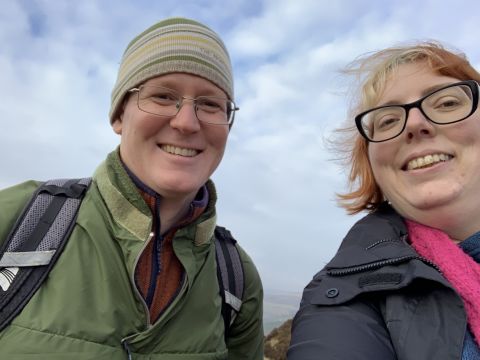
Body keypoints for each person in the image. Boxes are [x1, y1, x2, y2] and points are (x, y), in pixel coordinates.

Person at [0, 17, 263, 358]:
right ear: (119, 116)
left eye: (210, 103)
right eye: (163, 96)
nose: (186, 122)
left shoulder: (236, 278)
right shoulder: (19, 222)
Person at [288, 41, 480, 359]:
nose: (416, 124)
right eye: (388, 120)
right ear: (372, 165)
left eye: (446, 103)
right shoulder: (347, 298)